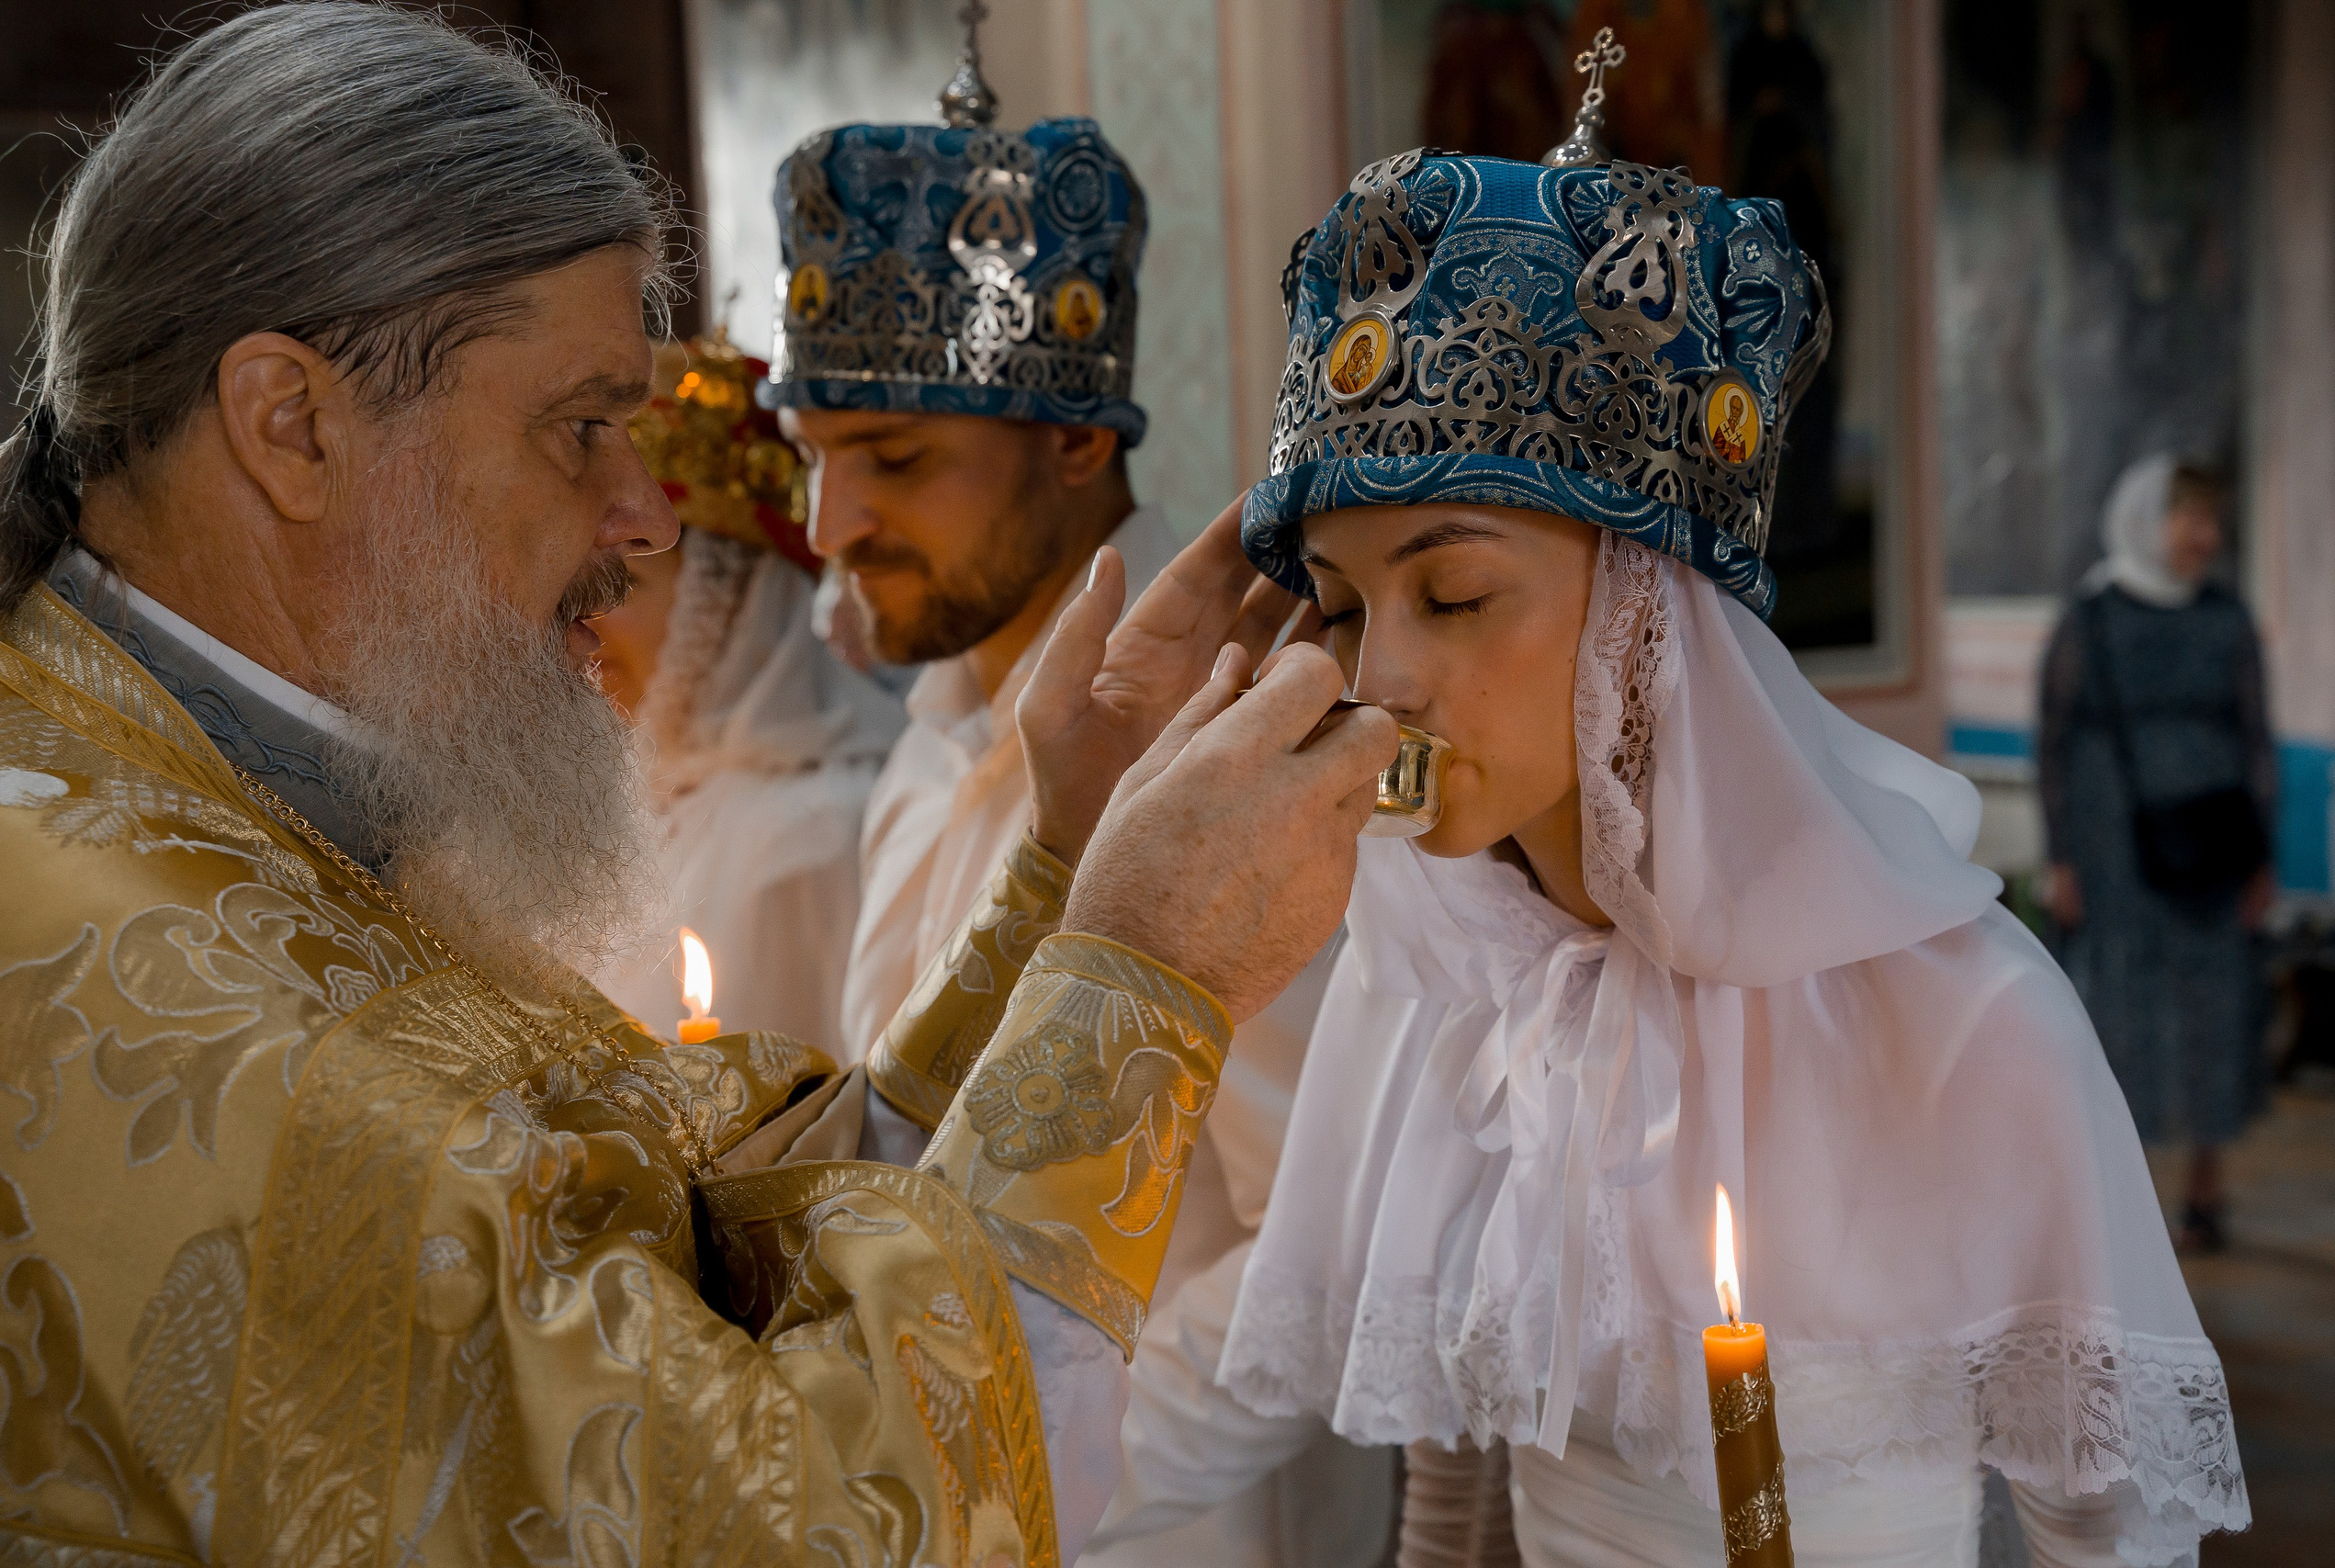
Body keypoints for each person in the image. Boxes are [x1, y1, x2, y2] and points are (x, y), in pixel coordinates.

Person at [0, 6, 1398, 1560]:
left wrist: (1067, 877)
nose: (650, 518)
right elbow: (790, 1516)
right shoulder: (155, 991)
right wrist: (1138, 974)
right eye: (583, 429)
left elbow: (642, 1251)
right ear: (292, 424)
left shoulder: (223, 792)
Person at [1089, 148, 2251, 1568]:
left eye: (1453, 591)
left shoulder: (1968, 1018)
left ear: (1650, 610)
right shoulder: (1447, 981)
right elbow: (1449, 1455)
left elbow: (2112, 1536)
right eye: (1336, 603)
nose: (1378, 672)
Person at [765, 60, 1392, 1567]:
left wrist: (1011, 1481)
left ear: (1074, 440)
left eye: (894, 460)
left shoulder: (1239, 737)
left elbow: (1322, 1250)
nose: (828, 530)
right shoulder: (925, 734)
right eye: (815, 459)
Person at [589, 331, 905, 1053]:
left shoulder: (815, 835)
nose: (585, 623)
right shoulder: (635, 806)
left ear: (734, 604)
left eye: (622, 587)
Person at [2038, 453, 2276, 1253]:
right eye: (2191, 517)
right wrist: (2062, 857)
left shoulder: (2227, 616)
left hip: (2212, 847)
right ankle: (2124, 1194)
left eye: (2213, 520)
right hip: (2114, 853)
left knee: (2213, 1004)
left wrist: (2261, 856)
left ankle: (2206, 1190)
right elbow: (2054, 737)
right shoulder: (2092, 619)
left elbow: (2255, 736)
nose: (2206, 536)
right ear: (2147, 520)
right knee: (2120, 1012)